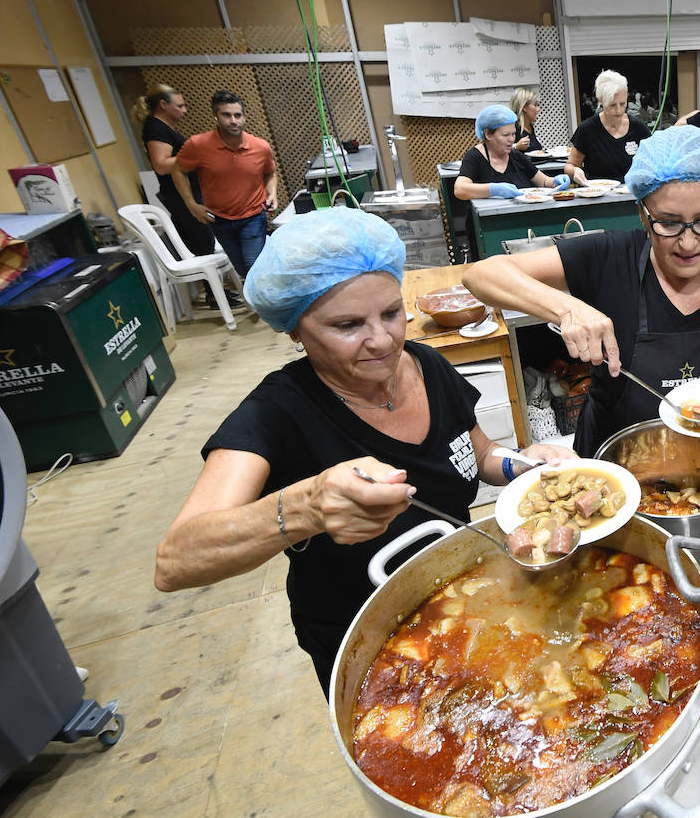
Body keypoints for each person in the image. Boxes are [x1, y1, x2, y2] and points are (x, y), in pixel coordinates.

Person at [153, 208, 574, 692]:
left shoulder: (425, 363)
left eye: (392, 313)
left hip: (467, 596)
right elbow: (174, 561)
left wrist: (522, 464)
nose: (383, 339)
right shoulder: (276, 412)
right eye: (348, 324)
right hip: (366, 633)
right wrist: (305, 507)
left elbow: (476, 453)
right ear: (295, 329)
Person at [464, 125, 700, 456]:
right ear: (642, 213)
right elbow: (481, 275)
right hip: (615, 464)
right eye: (668, 223)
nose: (688, 242)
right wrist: (568, 309)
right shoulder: (609, 258)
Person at [173, 90, 277, 279]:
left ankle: (268, 306)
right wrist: (191, 204)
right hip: (218, 219)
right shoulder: (197, 145)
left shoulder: (260, 147)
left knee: (253, 267)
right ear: (215, 116)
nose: (233, 120)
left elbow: (270, 173)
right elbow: (177, 170)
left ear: (244, 117)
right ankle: (263, 304)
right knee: (243, 270)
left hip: (253, 216)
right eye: (226, 115)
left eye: (237, 115)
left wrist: (272, 194)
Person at [134, 84, 220, 306]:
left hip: (189, 193)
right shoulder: (155, 128)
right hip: (181, 197)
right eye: (180, 106)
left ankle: (216, 292)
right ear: (163, 105)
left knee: (205, 241)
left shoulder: (162, 128)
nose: (185, 110)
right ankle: (214, 295)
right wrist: (197, 158)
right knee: (202, 244)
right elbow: (161, 165)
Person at [452, 105, 573, 201]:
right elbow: (460, 189)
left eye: (513, 134)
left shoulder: (515, 155)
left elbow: (543, 181)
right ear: (488, 134)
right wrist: (494, 189)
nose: (511, 139)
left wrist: (555, 181)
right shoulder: (474, 157)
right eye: (505, 135)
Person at [566, 69, 653, 182]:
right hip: (598, 195)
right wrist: (575, 171)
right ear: (600, 100)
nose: (618, 110)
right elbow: (570, 166)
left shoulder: (638, 127)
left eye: (622, 104)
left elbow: (653, 162)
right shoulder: (587, 130)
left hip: (633, 193)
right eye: (612, 105)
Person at [509, 88, 542, 153]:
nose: (538, 109)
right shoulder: (512, 128)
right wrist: (516, 146)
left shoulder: (530, 127)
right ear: (524, 107)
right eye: (535, 105)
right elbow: (498, 151)